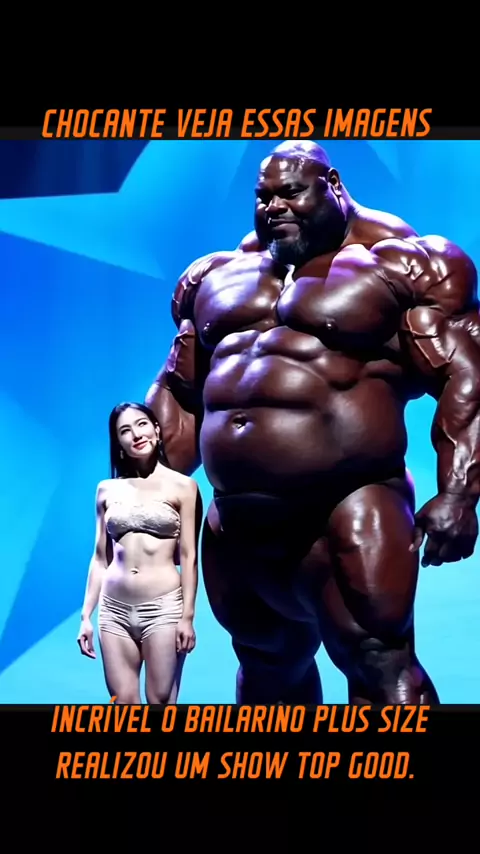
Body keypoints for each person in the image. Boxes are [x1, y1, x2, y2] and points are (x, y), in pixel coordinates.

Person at [146, 140, 480, 705]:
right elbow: (180, 391)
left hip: (348, 506)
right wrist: (141, 494)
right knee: (266, 667)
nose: (274, 206)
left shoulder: (405, 265)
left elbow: (465, 375)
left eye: (291, 192)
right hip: (240, 518)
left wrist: (459, 493)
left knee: (378, 664)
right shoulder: (215, 276)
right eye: (263, 196)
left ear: (334, 185)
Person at [77, 402, 202, 704]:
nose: (136, 434)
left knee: (160, 701)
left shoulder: (184, 487)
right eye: (125, 430)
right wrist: (85, 616)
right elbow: (100, 558)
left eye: (142, 424)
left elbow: (189, 556)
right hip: (114, 610)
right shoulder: (106, 490)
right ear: (118, 442)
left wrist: (187, 616)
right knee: (122, 703)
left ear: (156, 429)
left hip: (163, 609)